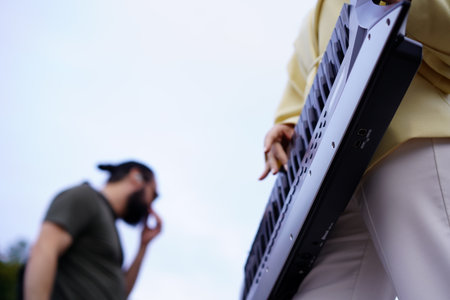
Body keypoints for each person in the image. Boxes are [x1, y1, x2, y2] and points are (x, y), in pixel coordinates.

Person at [259, 0, 450, 299]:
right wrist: (286, 128)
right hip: (323, 191)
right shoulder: (311, 20)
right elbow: (297, 101)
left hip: (406, 142)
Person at [24, 161, 163, 300]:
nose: (151, 205)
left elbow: (121, 292)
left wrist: (143, 246)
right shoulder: (86, 197)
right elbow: (44, 249)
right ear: (136, 177)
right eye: (153, 194)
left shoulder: (109, 224)